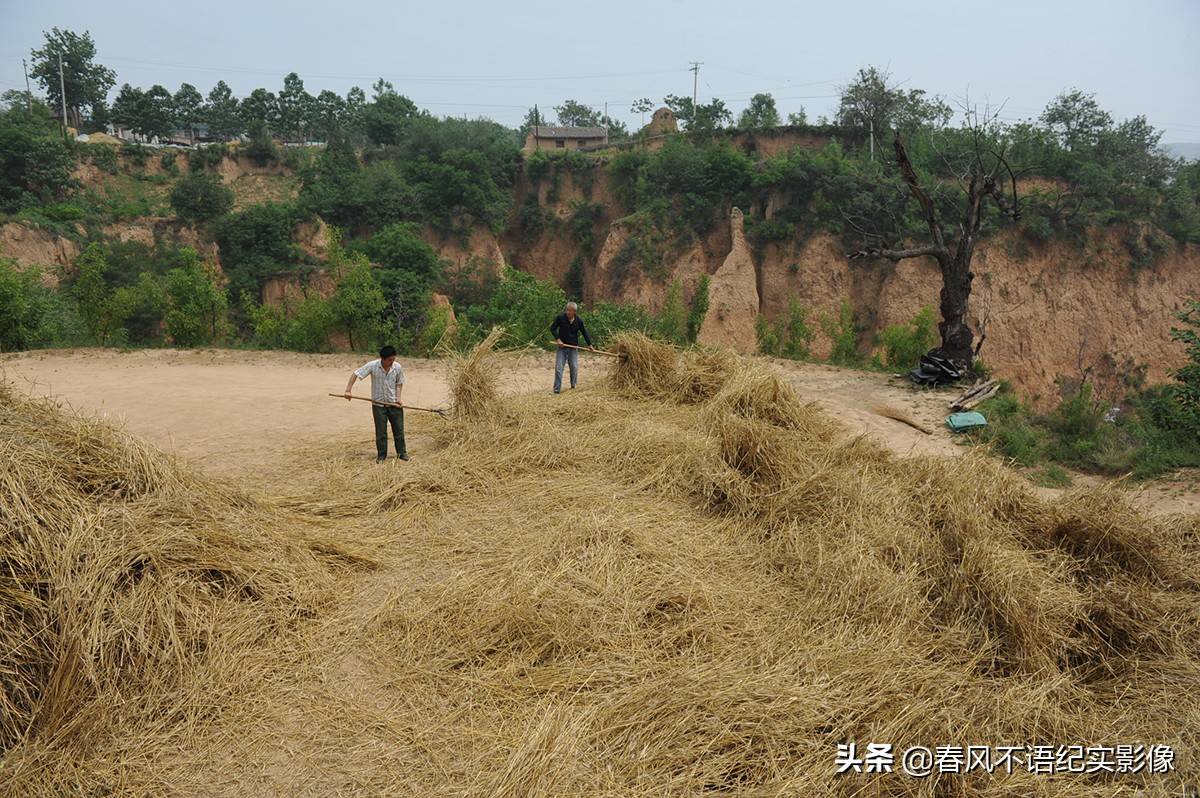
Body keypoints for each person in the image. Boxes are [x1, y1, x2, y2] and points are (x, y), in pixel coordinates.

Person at [344, 345, 409, 462]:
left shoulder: (397, 367)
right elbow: (356, 374)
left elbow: (399, 383)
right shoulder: (373, 366)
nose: (392, 362)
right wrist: (348, 390)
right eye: (390, 360)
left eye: (393, 359)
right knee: (381, 433)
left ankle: (402, 453)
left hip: (395, 405)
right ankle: (381, 456)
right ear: (382, 359)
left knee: (399, 430)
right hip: (378, 406)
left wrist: (398, 399)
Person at [549, 301, 595, 394]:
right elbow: (552, 328)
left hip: (573, 347)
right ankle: (557, 389)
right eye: (567, 310)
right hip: (562, 347)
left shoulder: (579, 321)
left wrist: (589, 345)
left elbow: (584, 332)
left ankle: (573, 386)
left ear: (575, 312)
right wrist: (558, 339)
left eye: (570, 311)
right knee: (559, 367)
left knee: (574, 367)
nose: (568, 312)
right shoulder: (560, 318)